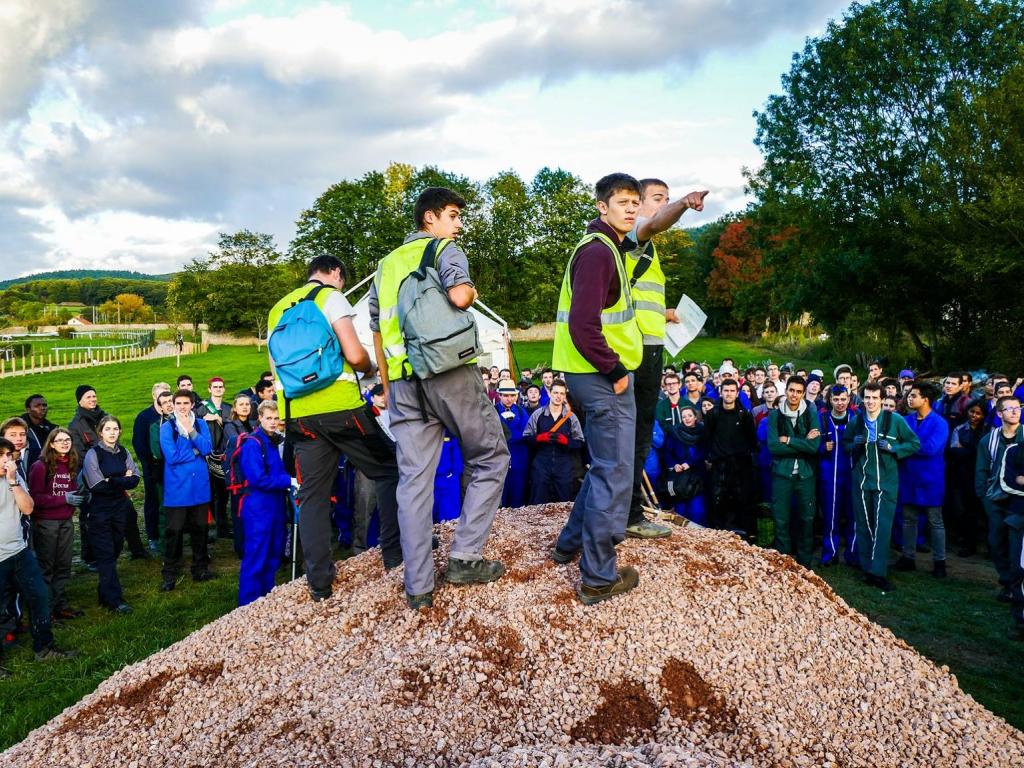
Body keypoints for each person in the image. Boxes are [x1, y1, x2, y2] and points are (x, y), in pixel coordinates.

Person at [370, 187, 509, 609]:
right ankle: (465, 557)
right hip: (448, 372)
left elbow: (377, 330)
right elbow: (460, 296)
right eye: (452, 215)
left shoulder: (385, 265)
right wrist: (472, 290)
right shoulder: (444, 249)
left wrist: (389, 385)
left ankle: (419, 587)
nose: (458, 223)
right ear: (430, 218)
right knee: (491, 456)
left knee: (413, 481)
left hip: (403, 382)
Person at [271, 254, 404, 593]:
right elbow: (355, 353)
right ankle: (395, 553)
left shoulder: (278, 309)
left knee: (313, 495)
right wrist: (372, 368)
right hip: (341, 407)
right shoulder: (330, 297)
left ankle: (318, 580)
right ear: (334, 273)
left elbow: (278, 373)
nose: (342, 284)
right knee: (388, 469)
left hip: (300, 415)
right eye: (342, 278)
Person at [549, 172, 644, 605]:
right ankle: (598, 577)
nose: (631, 208)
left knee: (606, 465)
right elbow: (583, 325)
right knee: (615, 471)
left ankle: (569, 545)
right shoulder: (599, 253)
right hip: (602, 378)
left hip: (589, 375)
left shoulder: (605, 250)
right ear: (602, 207)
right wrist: (616, 369)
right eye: (622, 201)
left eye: (634, 202)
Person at [622, 178, 708, 540]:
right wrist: (685, 204)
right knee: (635, 435)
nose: (663, 205)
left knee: (639, 433)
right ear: (637, 204)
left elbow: (639, 299)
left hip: (652, 344)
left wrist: (668, 313)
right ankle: (625, 512)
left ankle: (629, 509)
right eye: (658, 198)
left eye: (668, 199)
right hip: (636, 349)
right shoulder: (635, 234)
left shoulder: (649, 251)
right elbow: (656, 223)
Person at [0, 438, 75, 675]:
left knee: (39, 597)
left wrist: (12, 481)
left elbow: (28, 508)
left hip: (19, 552)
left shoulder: (14, 479)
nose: (5, 460)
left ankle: (44, 648)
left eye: (8, 455)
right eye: (1, 455)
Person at [844, 382, 920, 591]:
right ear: (861, 399)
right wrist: (855, 444)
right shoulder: (856, 422)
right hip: (860, 481)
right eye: (867, 398)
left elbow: (914, 443)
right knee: (864, 524)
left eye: (874, 398)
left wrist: (894, 448)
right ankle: (867, 568)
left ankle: (878, 572)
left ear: (882, 399)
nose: (870, 401)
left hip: (885, 482)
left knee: (882, 526)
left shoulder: (894, 420)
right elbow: (846, 445)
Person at [236, 401, 293, 607]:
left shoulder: (273, 440)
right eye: (268, 418)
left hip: (275, 504)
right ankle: (248, 604)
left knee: (273, 552)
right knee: (257, 554)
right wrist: (288, 481)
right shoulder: (253, 443)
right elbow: (257, 479)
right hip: (258, 506)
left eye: (276, 418)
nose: (273, 422)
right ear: (259, 418)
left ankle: (266, 600)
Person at [159, 389, 215, 592]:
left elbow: (207, 448)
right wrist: (193, 450)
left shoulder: (200, 424)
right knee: (174, 532)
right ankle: (170, 573)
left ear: (192, 404)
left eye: (186, 403)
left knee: (200, 529)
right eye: (178, 403)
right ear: (173, 405)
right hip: (178, 489)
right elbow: (171, 457)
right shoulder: (167, 428)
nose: (182, 407)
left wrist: (191, 431)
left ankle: (200, 568)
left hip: (199, 486)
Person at [82, 415, 139, 613]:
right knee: (105, 553)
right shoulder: (93, 454)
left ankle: (104, 592)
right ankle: (115, 601)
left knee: (115, 548)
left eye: (115, 429)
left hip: (120, 507)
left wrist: (112, 480)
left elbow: (135, 478)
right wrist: (122, 479)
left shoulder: (123, 452)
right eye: (108, 429)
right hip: (99, 510)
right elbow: (97, 485)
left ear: (120, 431)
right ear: (100, 432)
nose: (112, 432)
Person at [894, 382, 950, 577]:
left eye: (914, 395)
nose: (910, 398)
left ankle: (940, 561)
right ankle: (908, 557)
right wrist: (903, 447)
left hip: (930, 478)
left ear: (925, 399)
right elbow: (897, 442)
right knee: (908, 519)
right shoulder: (905, 420)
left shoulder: (940, 423)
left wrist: (904, 448)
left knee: (935, 521)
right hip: (908, 476)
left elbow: (931, 448)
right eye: (909, 395)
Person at [28, 428, 83, 621]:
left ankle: (60, 604)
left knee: (63, 565)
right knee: (47, 566)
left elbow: (72, 489)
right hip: (46, 522)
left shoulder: (70, 463)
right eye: (59, 440)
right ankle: (46, 610)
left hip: (65, 521)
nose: (64, 443)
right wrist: (63, 500)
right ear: (51, 443)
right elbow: (35, 497)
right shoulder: (40, 466)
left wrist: (77, 497)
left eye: (67, 440)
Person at [767, 376, 821, 567]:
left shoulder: (810, 413)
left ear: (803, 393)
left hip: (806, 474)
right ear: (786, 390)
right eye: (791, 390)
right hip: (782, 473)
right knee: (781, 518)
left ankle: (804, 562)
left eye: (799, 391)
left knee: (807, 518)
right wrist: (803, 442)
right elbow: (773, 446)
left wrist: (789, 440)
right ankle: (784, 560)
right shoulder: (775, 415)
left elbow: (814, 447)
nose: (794, 395)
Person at [976, 395, 1024, 601]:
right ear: (999, 413)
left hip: (1019, 501)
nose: (1015, 411)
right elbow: (981, 470)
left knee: (1017, 548)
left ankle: (1017, 589)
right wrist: (984, 497)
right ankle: (1006, 582)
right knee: (996, 542)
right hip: (995, 498)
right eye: (1009, 408)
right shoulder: (989, 440)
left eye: (1018, 408)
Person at [703, 378, 758, 535]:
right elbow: (708, 438)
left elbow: (752, 439)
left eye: (732, 391)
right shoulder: (712, 414)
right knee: (718, 500)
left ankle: (744, 534)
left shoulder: (744, 415)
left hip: (741, 464)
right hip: (719, 464)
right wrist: (711, 458)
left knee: (742, 499)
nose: (729, 394)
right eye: (726, 390)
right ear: (720, 392)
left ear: (737, 393)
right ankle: (718, 533)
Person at [524, 379, 584, 504]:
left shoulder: (571, 417)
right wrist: (539, 438)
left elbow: (580, 441)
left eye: (562, 394)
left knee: (564, 502)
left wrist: (566, 441)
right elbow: (526, 437)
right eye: (556, 393)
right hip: (541, 463)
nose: (558, 396)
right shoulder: (538, 414)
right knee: (538, 501)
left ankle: (564, 524)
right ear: (550, 393)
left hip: (564, 464)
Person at [818, 386, 857, 567]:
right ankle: (830, 552)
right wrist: (821, 448)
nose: (840, 403)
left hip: (852, 473)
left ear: (848, 399)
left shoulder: (856, 419)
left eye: (843, 399)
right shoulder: (822, 419)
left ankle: (853, 552)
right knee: (831, 515)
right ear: (830, 400)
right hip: (830, 475)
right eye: (836, 399)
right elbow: (811, 444)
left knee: (853, 514)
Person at [132, 382, 170, 553]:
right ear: (154, 396)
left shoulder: (172, 416)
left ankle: (170, 532)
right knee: (153, 500)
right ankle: (153, 535)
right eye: (161, 394)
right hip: (152, 467)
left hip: (171, 467)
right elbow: (139, 443)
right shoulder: (144, 417)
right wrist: (150, 463)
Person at [948, 401, 986, 557]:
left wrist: (967, 450)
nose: (974, 416)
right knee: (964, 511)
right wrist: (973, 450)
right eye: (972, 412)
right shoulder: (960, 429)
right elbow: (955, 452)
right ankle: (968, 544)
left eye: (978, 413)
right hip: (962, 475)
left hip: (982, 476)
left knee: (981, 512)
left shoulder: (988, 430)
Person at [197, 377, 233, 540]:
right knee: (209, 492)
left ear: (224, 389)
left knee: (223, 492)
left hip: (223, 455)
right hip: (206, 455)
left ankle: (223, 527)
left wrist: (220, 419)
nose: (218, 389)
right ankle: (211, 525)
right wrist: (205, 419)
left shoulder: (228, 408)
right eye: (215, 387)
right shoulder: (202, 409)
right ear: (209, 389)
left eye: (221, 387)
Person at [223, 393, 257, 558]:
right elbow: (239, 443)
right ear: (235, 408)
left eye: (247, 404)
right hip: (239, 476)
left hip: (253, 475)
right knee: (239, 513)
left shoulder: (253, 424)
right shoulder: (230, 425)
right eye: (241, 404)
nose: (245, 407)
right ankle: (241, 548)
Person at [663, 404, 707, 525]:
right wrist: (674, 464)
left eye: (689, 416)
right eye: (684, 417)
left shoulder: (702, 431)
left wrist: (691, 463)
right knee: (681, 510)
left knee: (697, 511)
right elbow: (667, 452)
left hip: (697, 475)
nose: (687, 419)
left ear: (695, 417)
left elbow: (704, 451)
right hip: (680, 477)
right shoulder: (675, 432)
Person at [495, 380, 529, 508]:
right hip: (500, 458)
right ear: (500, 396)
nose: (509, 399)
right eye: (506, 396)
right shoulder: (493, 411)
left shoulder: (521, 412)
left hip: (519, 458)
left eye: (512, 396)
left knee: (518, 494)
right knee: (500, 495)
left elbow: (526, 432)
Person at [21, 395, 56, 468]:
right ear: (28, 410)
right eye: (37, 406)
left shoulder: (53, 429)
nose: (42, 408)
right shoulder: (20, 428)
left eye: (44, 405)